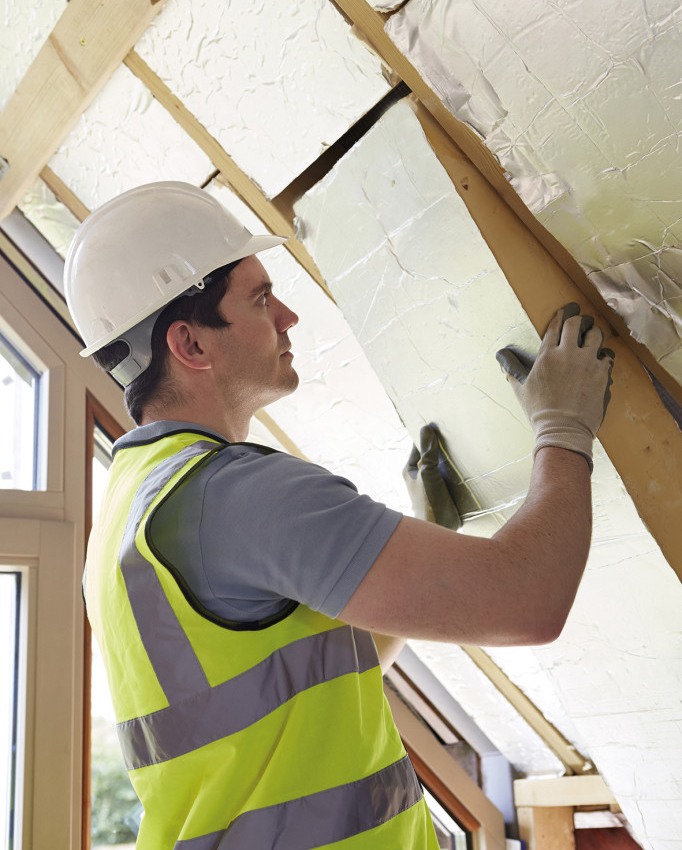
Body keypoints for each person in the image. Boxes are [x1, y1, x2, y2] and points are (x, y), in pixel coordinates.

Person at [67, 181, 614, 849]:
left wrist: (431, 541)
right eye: (261, 299)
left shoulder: (127, 512)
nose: (289, 316)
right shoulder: (238, 496)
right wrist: (563, 428)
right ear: (191, 345)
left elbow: (295, 694)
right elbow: (528, 600)